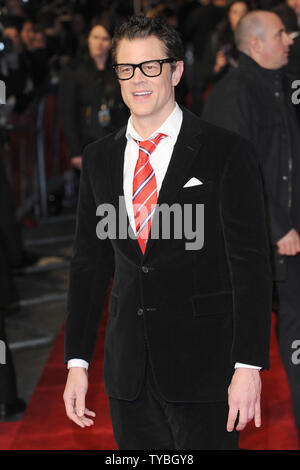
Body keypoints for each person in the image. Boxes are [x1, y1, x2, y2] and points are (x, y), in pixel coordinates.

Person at [63, 15, 272, 450]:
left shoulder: (225, 152)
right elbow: (89, 266)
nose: (137, 80)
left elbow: (250, 267)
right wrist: (77, 361)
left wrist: (249, 364)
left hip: (206, 369)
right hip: (128, 374)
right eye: (126, 68)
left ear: (175, 71)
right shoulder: (99, 159)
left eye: (150, 66)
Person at [202, 10, 300, 434]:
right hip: (255, 248)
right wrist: (277, 226)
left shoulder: (279, 87)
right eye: (281, 33)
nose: (290, 39)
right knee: (240, 345)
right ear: (256, 44)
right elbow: (236, 176)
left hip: (284, 241)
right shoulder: (232, 95)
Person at [59, 16, 128, 172]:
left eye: (104, 38)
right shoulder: (73, 70)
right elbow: (67, 113)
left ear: (112, 42)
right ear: (87, 39)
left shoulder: (120, 69)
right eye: (95, 37)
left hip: (118, 139)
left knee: (120, 193)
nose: (99, 43)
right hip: (87, 142)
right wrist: (75, 151)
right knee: (94, 192)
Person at [199, 0, 249, 86]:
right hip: (225, 89)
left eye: (244, 12)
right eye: (235, 12)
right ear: (229, 15)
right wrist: (218, 66)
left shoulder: (254, 38)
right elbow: (204, 72)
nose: (240, 17)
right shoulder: (217, 37)